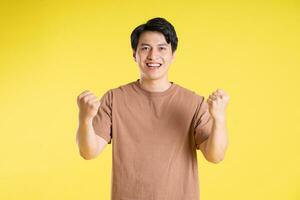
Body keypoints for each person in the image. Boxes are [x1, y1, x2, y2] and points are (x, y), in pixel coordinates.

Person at [76, 17, 229, 200]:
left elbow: (215, 156)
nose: (153, 56)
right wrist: (85, 119)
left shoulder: (194, 102)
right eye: (145, 48)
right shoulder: (114, 98)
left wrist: (219, 119)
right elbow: (89, 152)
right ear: (135, 54)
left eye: (162, 48)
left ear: (173, 55)